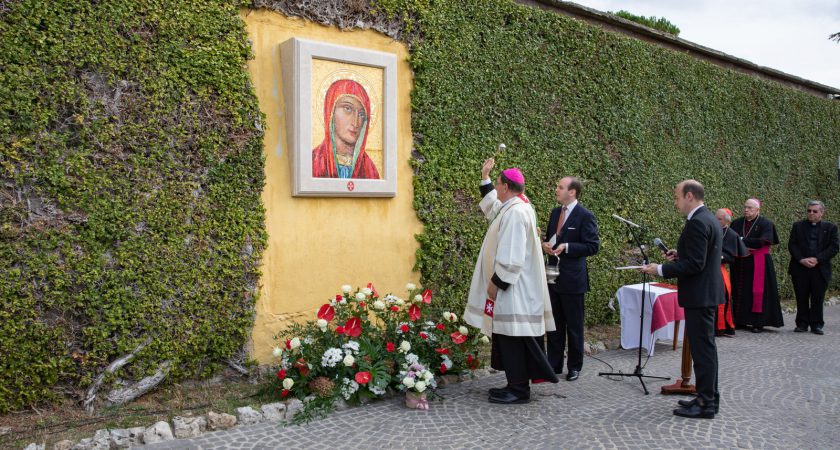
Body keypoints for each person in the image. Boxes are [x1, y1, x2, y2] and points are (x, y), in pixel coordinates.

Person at [463, 157, 558, 404]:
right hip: (516, 289)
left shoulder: (516, 213)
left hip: (515, 290)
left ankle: (518, 390)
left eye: (496, 183)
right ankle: (514, 385)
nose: (495, 187)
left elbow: (512, 256)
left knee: (514, 339)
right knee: (508, 338)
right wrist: (484, 177)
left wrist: (497, 282)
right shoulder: (515, 206)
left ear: (505, 186)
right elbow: (492, 208)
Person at [640, 180, 722, 419]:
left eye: (676, 197)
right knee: (705, 349)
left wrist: (661, 269)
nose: (675, 203)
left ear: (689, 196)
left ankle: (706, 404)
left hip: (700, 295)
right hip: (704, 294)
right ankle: (707, 398)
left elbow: (696, 264)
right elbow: (700, 256)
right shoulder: (707, 218)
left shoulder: (698, 222)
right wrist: (680, 255)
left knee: (703, 351)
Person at [541, 177, 600, 381]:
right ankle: (553, 364)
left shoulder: (585, 216)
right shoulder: (555, 212)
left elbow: (593, 246)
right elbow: (550, 238)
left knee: (574, 326)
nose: (556, 189)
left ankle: (574, 366)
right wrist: (545, 246)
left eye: (560, 187)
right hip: (552, 277)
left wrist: (568, 247)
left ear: (572, 192)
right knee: (554, 324)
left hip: (573, 280)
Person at [730, 198, 783, 332]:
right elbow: (730, 239)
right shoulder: (737, 223)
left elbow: (761, 242)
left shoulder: (766, 223)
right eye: (745, 207)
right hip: (740, 262)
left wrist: (742, 240)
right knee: (740, 290)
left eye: (750, 208)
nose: (746, 210)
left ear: (758, 210)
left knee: (758, 292)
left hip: (758, 262)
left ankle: (757, 322)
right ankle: (740, 320)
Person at [788, 200, 839, 335]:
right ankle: (802, 323)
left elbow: (834, 247)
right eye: (809, 210)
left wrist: (817, 259)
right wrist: (801, 259)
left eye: (814, 211)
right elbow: (792, 244)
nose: (811, 213)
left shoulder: (831, 228)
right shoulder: (798, 226)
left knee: (818, 297)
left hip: (820, 268)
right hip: (800, 267)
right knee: (801, 297)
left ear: (822, 212)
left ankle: (817, 324)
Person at [311, 79, 380, 179]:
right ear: (330, 111)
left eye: (361, 114)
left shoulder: (369, 169)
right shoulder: (313, 162)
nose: (355, 122)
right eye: (348, 108)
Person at [715, 208, 748, 337]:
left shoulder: (731, 234)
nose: (716, 220)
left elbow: (730, 257)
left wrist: (718, 257)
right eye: (715, 217)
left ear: (726, 222)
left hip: (719, 270)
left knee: (721, 298)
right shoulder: (710, 229)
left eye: (719, 219)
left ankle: (720, 327)